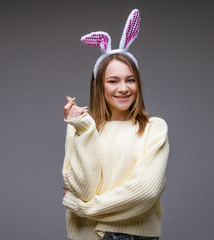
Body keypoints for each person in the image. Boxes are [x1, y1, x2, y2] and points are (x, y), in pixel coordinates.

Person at [61, 9, 170, 240]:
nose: (123, 88)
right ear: (100, 85)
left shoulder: (155, 128)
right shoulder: (81, 126)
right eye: (113, 81)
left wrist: (84, 209)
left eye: (130, 80)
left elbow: (145, 193)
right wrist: (83, 128)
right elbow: (83, 189)